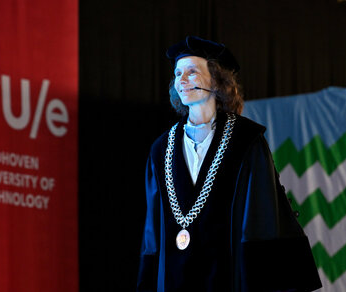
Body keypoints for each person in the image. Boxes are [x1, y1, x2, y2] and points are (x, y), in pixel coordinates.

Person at [137, 36, 322, 292]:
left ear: (216, 80)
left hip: (228, 276)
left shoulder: (246, 141)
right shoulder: (161, 149)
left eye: (192, 72)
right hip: (173, 278)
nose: (182, 80)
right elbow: (152, 231)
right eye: (178, 73)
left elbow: (262, 218)